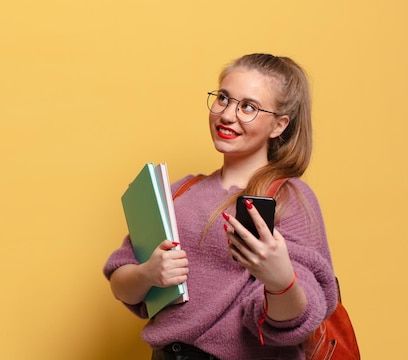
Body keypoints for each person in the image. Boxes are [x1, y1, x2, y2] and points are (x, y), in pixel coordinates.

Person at [103, 53, 338, 360]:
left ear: (279, 125)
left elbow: (295, 320)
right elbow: (122, 284)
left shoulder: (287, 199)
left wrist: (281, 281)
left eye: (248, 107)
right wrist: (148, 274)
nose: (227, 115)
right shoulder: (180, 191)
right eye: (223, 98)